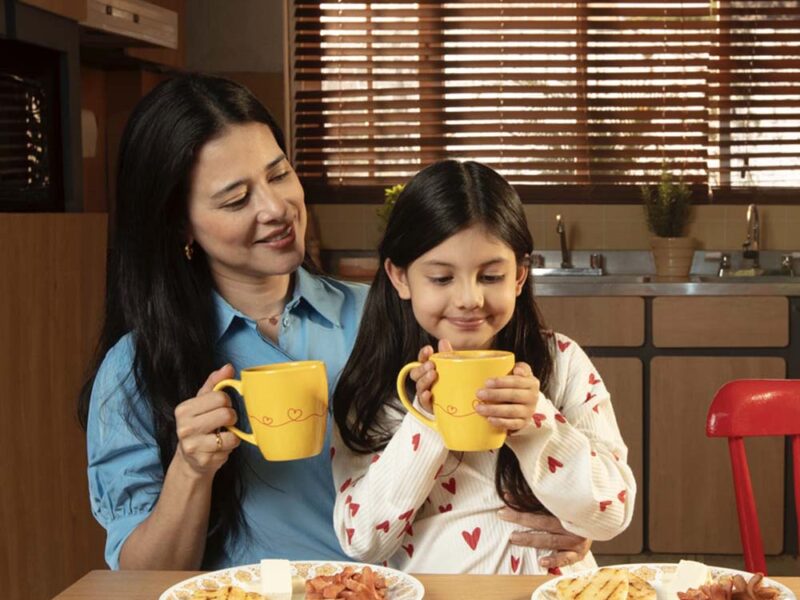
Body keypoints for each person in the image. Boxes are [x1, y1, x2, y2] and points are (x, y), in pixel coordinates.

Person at [78, 73, 592, 572]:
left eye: (279, 175)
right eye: (237, 199)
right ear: (179, 223)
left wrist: (566, 520)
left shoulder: (393, 317)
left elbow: (497, 468)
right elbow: (141, 577)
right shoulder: (136, 369)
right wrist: (191, 472)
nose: (277, 208)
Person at [331, 160, 636, 574]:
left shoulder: (561, 362)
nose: (470, 298)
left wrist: (536, 423)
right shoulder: (376, 384)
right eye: (441, 278)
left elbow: (611, 514)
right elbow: (362, 540)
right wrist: (426, 420)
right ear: (400, 277)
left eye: (491, 276)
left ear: (519, 277)